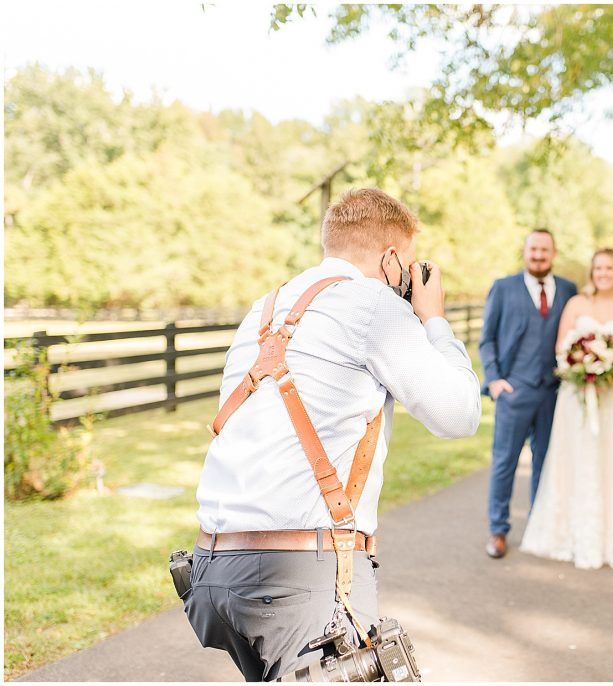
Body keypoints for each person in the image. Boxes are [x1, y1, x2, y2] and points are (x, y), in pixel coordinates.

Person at [184, 188, 481, 680]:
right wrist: (433, 319)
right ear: (390, 260)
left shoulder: (266, 307)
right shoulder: (369, 303)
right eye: (409, 265)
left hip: (214, 568)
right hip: (299, 579)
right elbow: (459, 414)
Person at [520, 249, 613, 569]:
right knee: (575, 458)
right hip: (577, 396)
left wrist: (611, 374)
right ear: (592, 272)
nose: (603, 273)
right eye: (598, 268)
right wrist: (583, 370)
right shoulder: (577, 304)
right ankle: (569, 533)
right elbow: (561, 347)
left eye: (609, 268)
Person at [479, 229, 578, 559]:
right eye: (533, 249)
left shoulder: (568, 290)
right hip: (514, 391)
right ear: (525, 252)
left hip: (554, 393)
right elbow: (487, 339)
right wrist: (494, 381)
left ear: (554, 253)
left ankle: (540, 526)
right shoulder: (503, 288)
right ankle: (498, 530)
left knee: (547, 463)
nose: (538, 255)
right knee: (505, 462)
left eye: (544, 249)